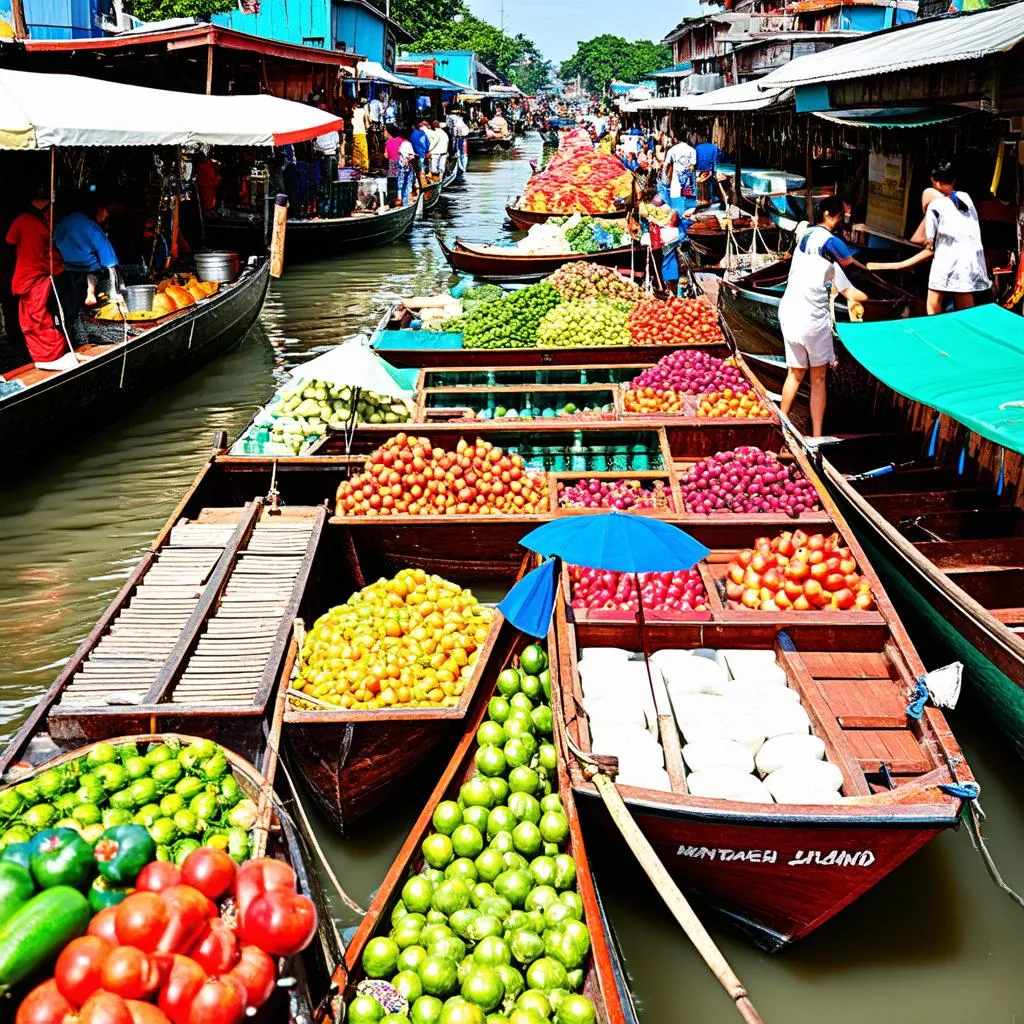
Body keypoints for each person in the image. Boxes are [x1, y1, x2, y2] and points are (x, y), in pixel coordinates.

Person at [778, 195, 869, 437]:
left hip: (788, 313)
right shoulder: (832, 260)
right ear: (829, 216)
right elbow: (854, 291)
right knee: (818, 379)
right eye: (839, 217)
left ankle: (781, 425)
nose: (839, 222)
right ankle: (817, 436)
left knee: (794, 374)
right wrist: (867, 293)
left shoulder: (803, 245)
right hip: (811, 321)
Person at [867, 160, 991, 314]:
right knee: (966, 311)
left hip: (948, 262)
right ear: (954, 180)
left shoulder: (934, 206)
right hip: (971, 262)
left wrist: (894, 266)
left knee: (933, 306)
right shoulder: (966, 198)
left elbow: (928, 248)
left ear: (934, 181)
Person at [5, 187, 74, 370]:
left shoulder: (24, 221)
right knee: (37, 319)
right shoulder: (40, 225)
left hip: (36, 278)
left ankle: (50, 358)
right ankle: (49, 356)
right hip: (36, 277)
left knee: (35, 321)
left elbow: (10, 241)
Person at [54, 197, 122, 319]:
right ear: (99, 209)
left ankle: (72, 325)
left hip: (65, 269)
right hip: (87, 268)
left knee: (70, 307)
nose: (107, 215)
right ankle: (90, 293)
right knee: (92, 276)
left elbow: (54, 241)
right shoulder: (90, 226)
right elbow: (107, 254)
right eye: (106, 211)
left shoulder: (64, 222)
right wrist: (116, 287)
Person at [638, 190, 684, 296]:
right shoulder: (645, 209)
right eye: (657, 195)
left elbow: (672, 220)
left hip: (668, 240)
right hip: (657, 241)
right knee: (662, 266)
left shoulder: (667, 207)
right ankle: (664, 288)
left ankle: (670, 289)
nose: (659, 197)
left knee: (669, 265)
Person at [662, 136, 696, 214]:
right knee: (689, 209)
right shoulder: (692, 150)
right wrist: (687, 176)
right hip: (688, 181)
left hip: (675, 181)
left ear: (676, 138)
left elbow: (666, 165)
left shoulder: (672, 150)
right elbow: (692, 166)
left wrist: (665, 181)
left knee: (676, 209)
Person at [384, 125, 415, 206]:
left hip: (392, 163)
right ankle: (404, 200)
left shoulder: (389, 142)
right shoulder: (405, 142)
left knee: (393, 184)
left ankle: (394, 200)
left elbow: (386, 155)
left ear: (388, 132)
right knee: (405, 182)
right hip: (403, 163)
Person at [313, 110, 340, 190]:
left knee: (327, 181)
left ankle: (328, 196)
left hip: (325, 156)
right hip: (332, 155)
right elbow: (337, 142)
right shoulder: (332, 128)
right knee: (333, 181)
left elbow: (317, 145)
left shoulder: (318, 129)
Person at [694, 137, 720, 207]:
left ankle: (698, 199)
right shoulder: (714, 147)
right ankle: (711, 199)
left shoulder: (698, 147)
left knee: (698, 184)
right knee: (710, 184)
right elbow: (716, 161)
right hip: (709, 169)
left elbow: (695, 158)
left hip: (699, 168)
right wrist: (714, 172)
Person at [447, 108, 470, 173]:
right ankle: (462, 169)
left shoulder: (450, 117)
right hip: (462, 137)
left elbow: (450, 127)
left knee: (459, 153)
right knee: (463, 154)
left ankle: (461, 168)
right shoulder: (460, 118)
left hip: (458, 137)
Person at [350, 97, 370, 172]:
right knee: (363, 151)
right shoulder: (364, 111)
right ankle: (365, 168)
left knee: (356, 151)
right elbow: (367, 123)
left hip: (354, 133)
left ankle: (356, 166)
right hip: (361, 132)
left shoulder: (353, 111)